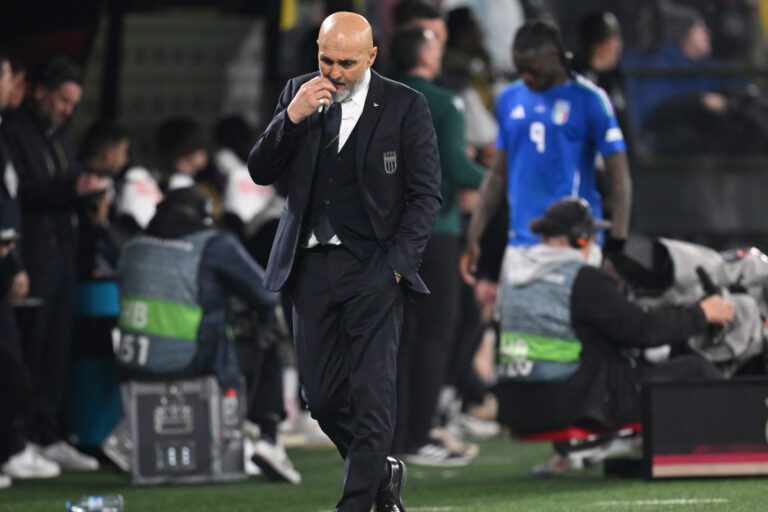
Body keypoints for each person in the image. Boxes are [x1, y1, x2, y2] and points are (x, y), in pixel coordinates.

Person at [248, 11, 441, 512]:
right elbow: (261, 171)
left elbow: (425, 197)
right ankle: (381, 475)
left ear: (372, 57)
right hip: (308, 267)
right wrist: (289, 118)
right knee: (323, 398)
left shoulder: (405, 105)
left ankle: (357, 504)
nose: (333, 72)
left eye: (347, 63)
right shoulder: (298, 92)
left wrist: (396, 266)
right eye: (326, 59)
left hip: (374, 267)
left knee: (374, 396)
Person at [492, 198, 733, 464]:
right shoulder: (582, 279)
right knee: (696, 370)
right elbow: (643, 330)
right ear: (581, 239)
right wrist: (702, 314)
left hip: (517, 407)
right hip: (569, 403)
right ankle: (743, 447)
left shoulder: (512, 276)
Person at [462, 20, 632, 284]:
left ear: (553, 56)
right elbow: (497, 173)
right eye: (520, 69)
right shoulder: (509, 99)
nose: (526, 76)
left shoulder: (590, 99)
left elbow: (619, 175)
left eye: (531, 69)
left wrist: (618, 243)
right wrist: (475, 233)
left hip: (575, 242)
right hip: (521, 244)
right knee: (515, 327)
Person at [2, 55, 105, 474]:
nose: (67, 109)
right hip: (31, 253)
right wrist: (71, 187)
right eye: (62, 100)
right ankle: (18, 439)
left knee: (57, 350)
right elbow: (19, 194)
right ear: (39, 92)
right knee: (27, 350)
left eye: (73, 103)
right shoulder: (14, 131)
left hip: (61, 254)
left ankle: (47, 434)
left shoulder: (60, 134)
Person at [389, 26, 485, 467]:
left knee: (399, 336)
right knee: (434, 334)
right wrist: (498, 178)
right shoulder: (444, 103)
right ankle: (420, 433)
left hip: (384, 234)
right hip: (435, 231)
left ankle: (393, 434)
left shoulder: (376, 98)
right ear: (426, 55)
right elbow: (457, 169)